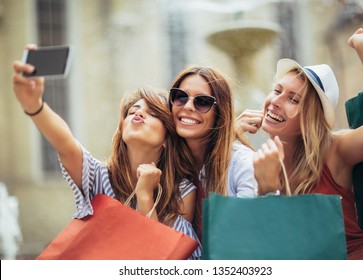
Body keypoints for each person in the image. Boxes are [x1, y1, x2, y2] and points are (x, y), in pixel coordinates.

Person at [12, 46, 201, 259]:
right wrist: (34, 105)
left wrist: (145, 195)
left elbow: (158, 263)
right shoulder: (97, 176)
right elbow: (65, 143)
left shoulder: (182, 192)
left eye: (152, 113)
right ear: (121, 130)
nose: (139, 113)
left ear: (167, 139)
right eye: (133, 111)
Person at [249, 28, 363, 259]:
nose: (275, 101)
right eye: (277, 91)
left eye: (293, 99)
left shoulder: (335, 151)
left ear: (311, 117)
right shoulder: (267, 161)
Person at [169, 66, 258, 239]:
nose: (188, 106)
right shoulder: (166, 164)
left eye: (202, 101)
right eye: (180, 97)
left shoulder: (245, 165)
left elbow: (244, 238)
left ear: (220, 113)